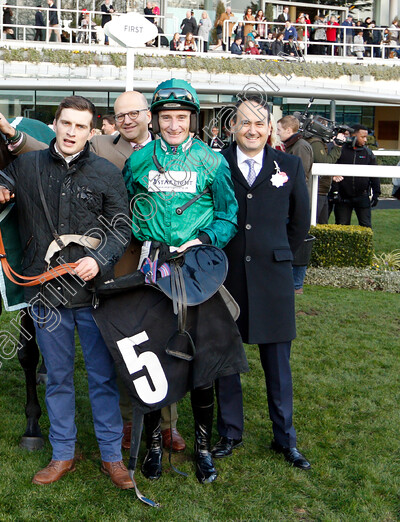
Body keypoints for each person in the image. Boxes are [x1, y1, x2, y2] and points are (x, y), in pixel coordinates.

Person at [0, 95, 134, 489]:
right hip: (47, 296)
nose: (72, 132)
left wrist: (100, 258)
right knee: (56, 378)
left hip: (94, 295)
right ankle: (63, 454)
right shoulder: (26, 165)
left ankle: (111, 457)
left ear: (91, 132)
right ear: (55, 124)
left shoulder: (106, 173)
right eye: (66, 123)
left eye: (80, 126)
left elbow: (122, 226)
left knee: (103, 377)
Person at [120, 80, 240, 484]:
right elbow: (122, 212)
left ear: (193, 119)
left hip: (196, 269)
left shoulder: (212, 161)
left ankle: (204, 449)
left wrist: (204, 239)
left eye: (181, 118)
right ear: (155, 119)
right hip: (152, 267)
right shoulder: (138, 162)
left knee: (202, 358)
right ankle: (153, 445)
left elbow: (227, 215)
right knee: (152, 355)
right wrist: (142, 232)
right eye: (166, 117)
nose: (174, 125)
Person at [214, 96, 312, 471]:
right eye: (244, 123)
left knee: (278, 365)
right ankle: (230, 433)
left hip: (273, 280)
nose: (252, 129)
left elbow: (299, 222)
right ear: (233, 127)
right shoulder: (217, 164)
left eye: (259, 123)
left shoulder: (287, 165)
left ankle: (285, 439)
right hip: (227, 278)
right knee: (226, 360)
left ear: (270, 128)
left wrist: (275, 255)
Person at [277, 115, 313, 294]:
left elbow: (299, 177)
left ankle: (297, 284)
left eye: (279, 130)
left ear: (289, 130)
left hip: (295, 204)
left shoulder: (300, 147)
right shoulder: (293, 146)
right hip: (289, 203)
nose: (277, 133)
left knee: (299, 242)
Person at [333, 124, 378, 228]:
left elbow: (374, 174)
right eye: (362, 137)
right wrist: (335, 192)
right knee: (342, 226)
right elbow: (333, 171)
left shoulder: (368, 153)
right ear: (353, 136)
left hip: (362, 196)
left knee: (366, 226)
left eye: (366, 137)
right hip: (343, 197)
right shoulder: (340, 151)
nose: (365, 140)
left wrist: (376, 192)